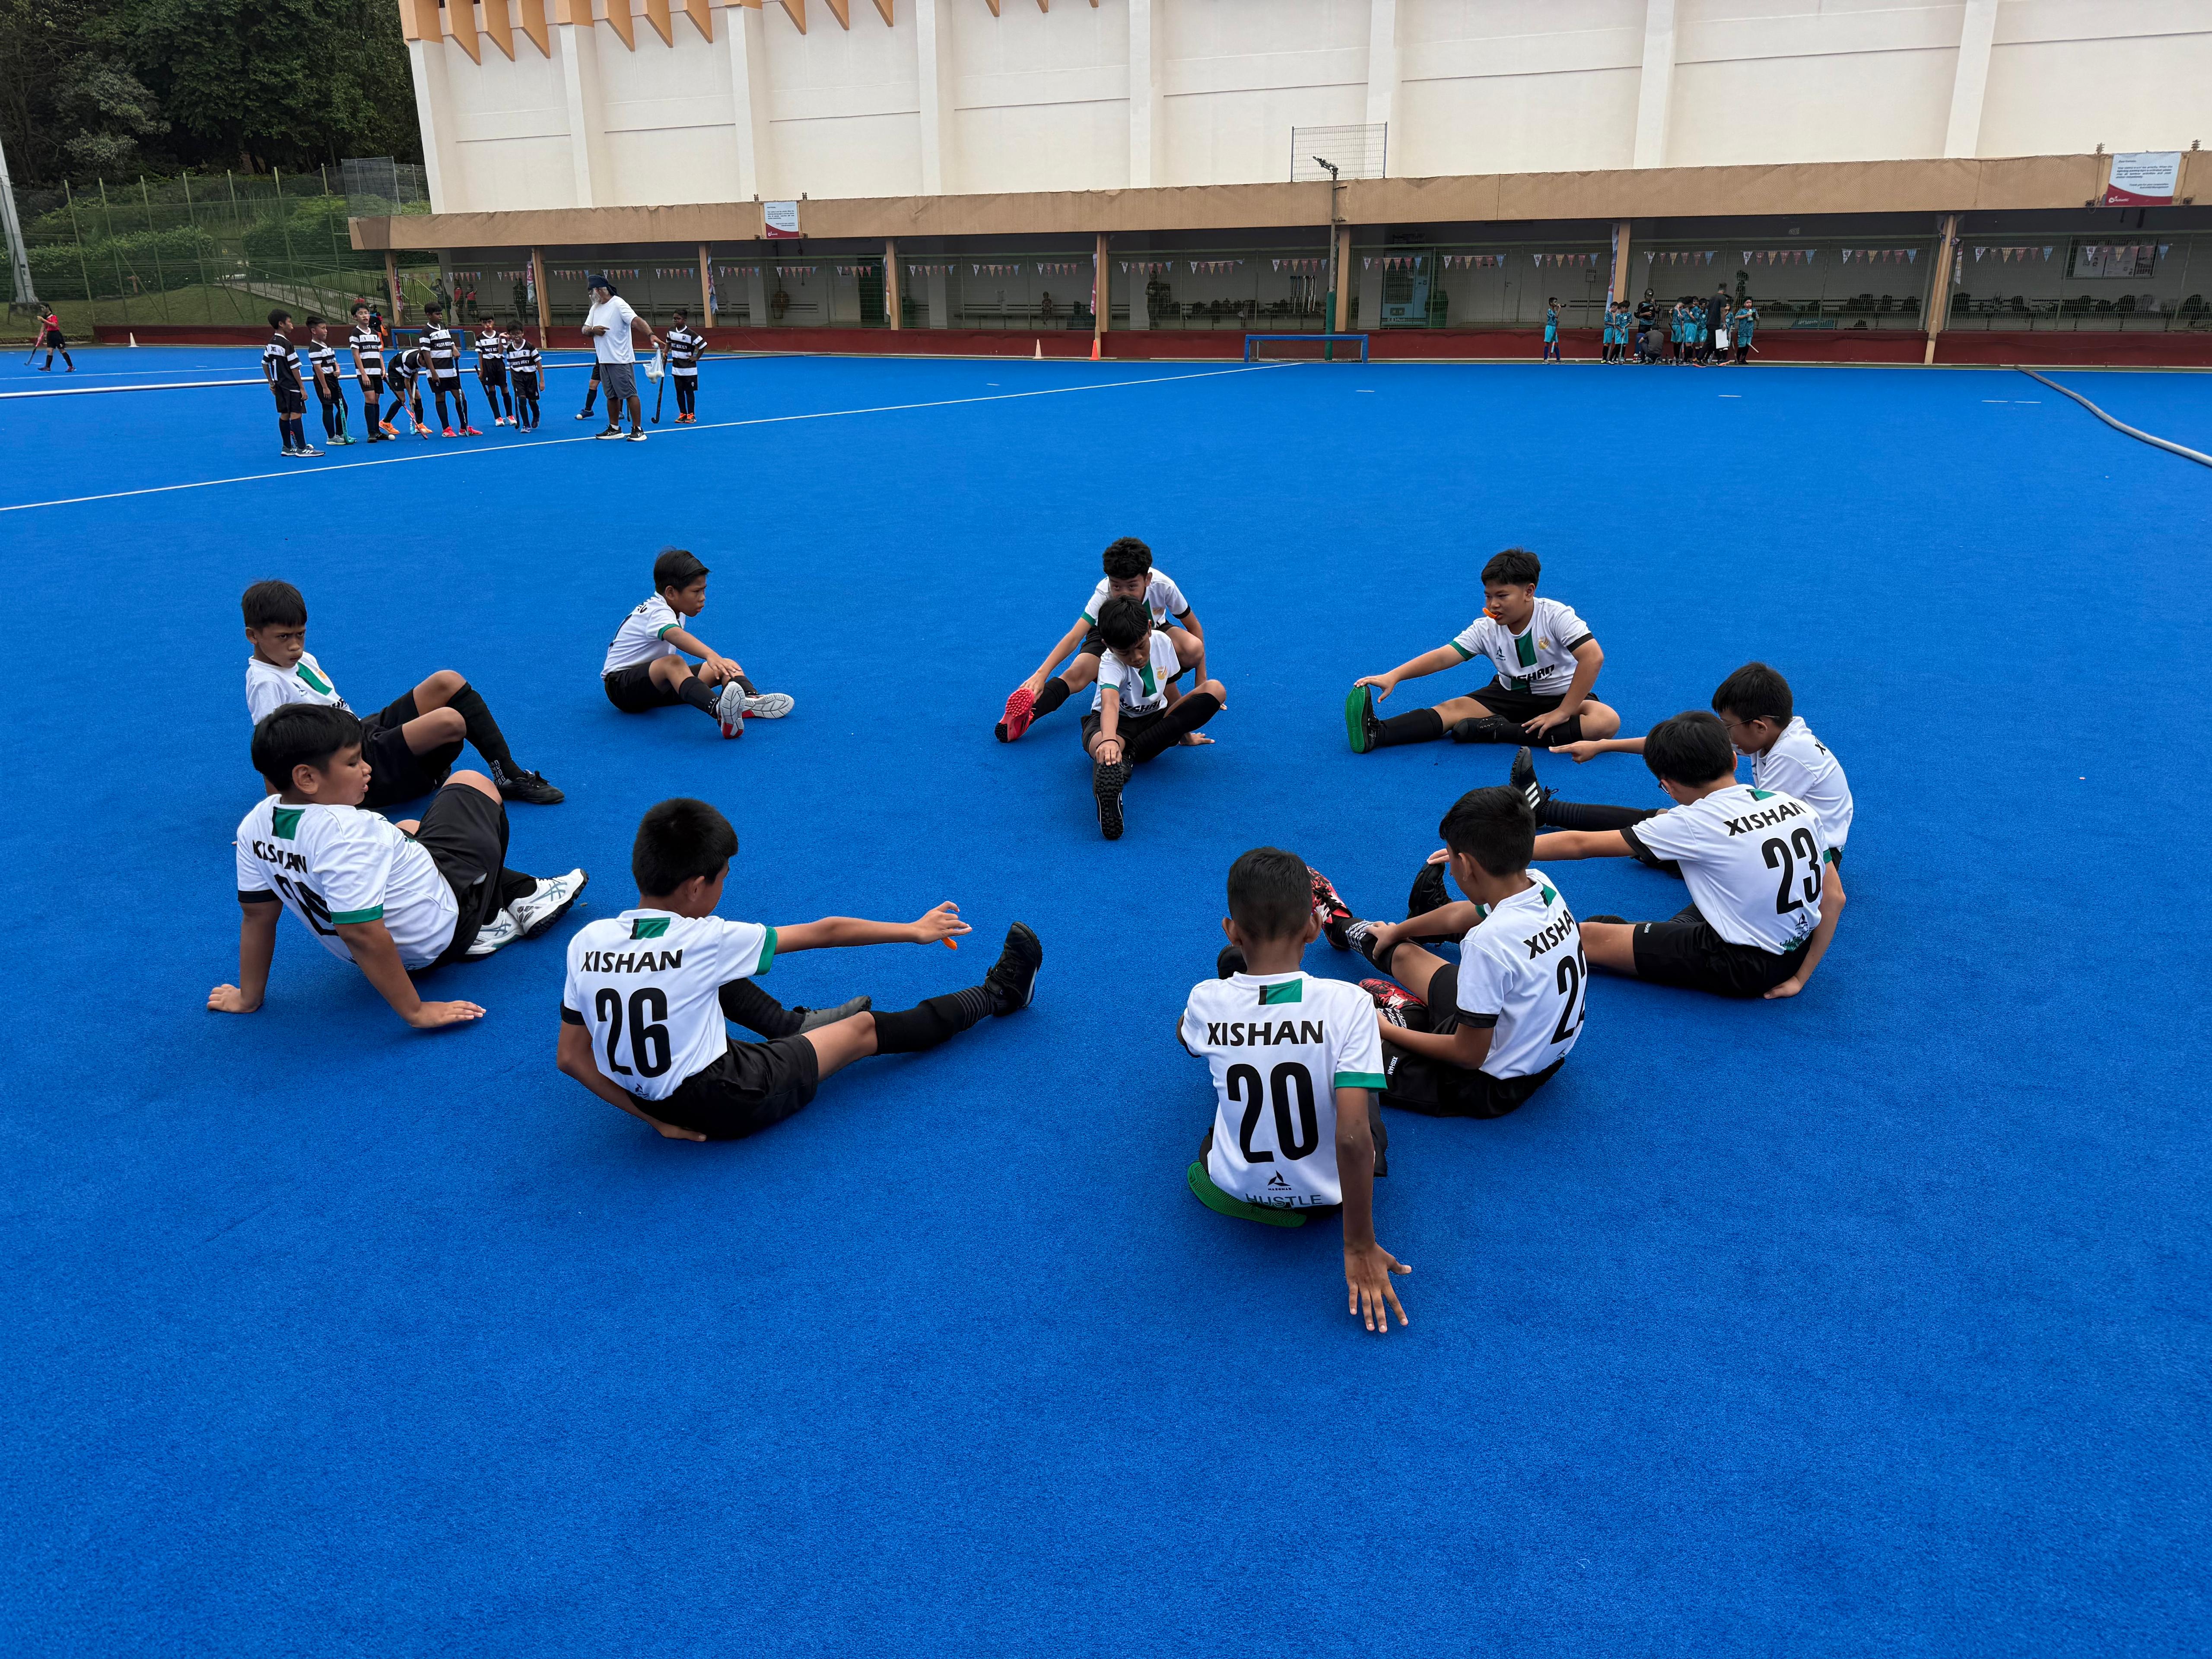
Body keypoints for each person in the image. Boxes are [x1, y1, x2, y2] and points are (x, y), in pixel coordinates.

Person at [556, 797, 1042, 1142]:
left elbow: (572, 1059)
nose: (725, 887)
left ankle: (792, 1028)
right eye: (723, 878)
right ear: (695, 887)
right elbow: (824, 932)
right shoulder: (704, 940)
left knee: (701, 975)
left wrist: (651, 1118)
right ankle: (1000, 995)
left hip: (654, 1097)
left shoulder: (587, 942)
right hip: (728, 1095)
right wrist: (912, 929)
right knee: (863, 1031)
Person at [213, 705, 587, 1029]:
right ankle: (490, 917)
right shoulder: (352, 833)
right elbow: (361, 931)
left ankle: (518, 890)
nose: (366, 769)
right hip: (438, 938)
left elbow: (257, 918)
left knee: (407, 829)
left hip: (373, 959)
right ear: (307, 778)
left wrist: (248, 997)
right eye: (352, 762)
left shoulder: (254, 825)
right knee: (471, 782)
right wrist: (416, 1011)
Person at [1179, 847, 1406, 1334]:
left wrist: (1231, 1012)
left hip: (1231, 1184)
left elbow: (1185, 1038)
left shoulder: (1204, 1000)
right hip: (1331, 1198)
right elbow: (1352, 1138)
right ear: (1311, 927)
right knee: (1360, 1089)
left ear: (1231, 930)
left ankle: (1250, 980)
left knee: (1224, 1091)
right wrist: (1359, 1244)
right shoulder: (1348, 1003)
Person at [1526, 711, 1845, 1001]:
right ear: (1734, 762)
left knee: (1592, 936)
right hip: (1797, 949)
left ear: (1669, 787)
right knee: (1700, 904)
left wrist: (1502, 852)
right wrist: (1801, 977)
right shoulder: (1797, 806)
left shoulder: (1692, 823)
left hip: (1740, 964)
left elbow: (1581, 845)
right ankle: (1654, 937)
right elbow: (1835, 898)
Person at [1315, 785, 1586, 1121]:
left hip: (1486, 1081)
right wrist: (1398, 930)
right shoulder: (1539, 885)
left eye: (1451, 857)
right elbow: (1460, 914)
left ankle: (1405, 1017)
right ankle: (1340, 925)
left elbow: (1468, 1055)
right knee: (1402, 953)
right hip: (1529, 1041)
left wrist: (1385, 1030)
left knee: (1329, 1051)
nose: (1452, 870)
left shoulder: (1487, 945)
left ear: (1467, 865)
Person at [242, 578, 565, 807]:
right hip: (351, 756)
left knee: (446, 681)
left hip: (360, 729)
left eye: (300, 634)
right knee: (450, 722)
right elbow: (272, 752)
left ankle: (506, 775)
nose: (296, 645)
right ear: (253, 636)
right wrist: (278, 815)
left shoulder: (301, 659)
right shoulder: (266, 682)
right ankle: (420, 779)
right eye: (284, 637)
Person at [1528, 661, 1853, 861]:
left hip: (1811, 856)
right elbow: (1687, 745)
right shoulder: (1769, 736)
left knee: (1666, 827)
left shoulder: (1791, 756)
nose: (1725, 736)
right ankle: (1546, 811)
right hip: (1779, 838)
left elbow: (1764, 825)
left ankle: (1546, 814)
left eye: (1727, 728)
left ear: (1759, 725)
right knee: (1661, 820)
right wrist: (1604, 745)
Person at [1345, 546, 1620, 753]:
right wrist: (1394, 676)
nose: (1494, 604)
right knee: (1452, 709)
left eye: (1502, 596)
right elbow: (1444, 656)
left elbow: (1593, 657)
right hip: (1508, 695)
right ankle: (1377, 734)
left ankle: (1497, 730)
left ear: (1529, 592)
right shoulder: (1486, 627)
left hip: (1561, 696)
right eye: (1489, 595)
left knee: (1606, 722)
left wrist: (1563, 711)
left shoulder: (1556, 616)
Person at [996, 536, 1208, 742]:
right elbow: (1074, 637)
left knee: (1193, 648)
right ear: (1109, 581)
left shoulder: (1164, 586)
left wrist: (1201, 680)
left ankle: (1142, 684)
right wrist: (1041, 675)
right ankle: (1028, 714)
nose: (1124, 593)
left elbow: (1194, 626)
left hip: (1150, 632)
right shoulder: (1103, 591)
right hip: (1111, 637)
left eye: (1132, 586)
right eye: (1117, 587)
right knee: (1077, 674)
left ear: (1148, 580)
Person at [600, 547, 795, 737]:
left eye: (704, 590)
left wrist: (718, 661)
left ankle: (747, 700)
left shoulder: (675, 609)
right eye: (696, 592)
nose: (703, 599)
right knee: (675, 663)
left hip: (655, 685)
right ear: (671, 593)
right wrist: (711, 655)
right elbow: (675, 635)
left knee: (725, 666)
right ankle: (719, 711)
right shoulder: (657, 611)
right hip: (621, 688)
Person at [1084, 596, 1227, 840]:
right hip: (1115, 724)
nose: (1136, 657)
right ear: (1108, 645)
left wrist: (1185, 734)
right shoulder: (1109, 661)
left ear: (1150, 628)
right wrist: (1109, 740)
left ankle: (1125, 756)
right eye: (1125, 652)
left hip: (1154, 721)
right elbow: (1109, 704)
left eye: (1141, 646)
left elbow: (1169, 690)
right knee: (1101, 745)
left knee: (1215, 690)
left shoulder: (1163, 642)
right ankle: (1109, 784)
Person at [582, 274, 661, 442]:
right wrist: (593, 330)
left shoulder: (618, 304)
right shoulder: (595, 308)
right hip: (604, 360)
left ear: (599, 290)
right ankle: (615, 428)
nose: (589, 295)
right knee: (611, 396)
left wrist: (651, 335)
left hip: (620, 360)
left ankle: (638, 430)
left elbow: (636, 321)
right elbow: (585, 329)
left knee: (630, 394)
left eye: (591, 291)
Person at [262, 309, 318, 459]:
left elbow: (265, 363)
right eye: (290, 322)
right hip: (291, 385)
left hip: (280, 385)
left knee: (285, 414)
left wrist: (271, 382)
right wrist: (302, 388)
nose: (292, 325)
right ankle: (301, 448)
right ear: (281, 324)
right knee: (296, 414)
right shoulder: (287, 344)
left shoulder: (271, 343)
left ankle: (287, 447)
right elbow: (295, 367)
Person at [418, 303, 479, 436]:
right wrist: (433, 372)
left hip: (450, 369)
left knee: (461, 396)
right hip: (437, 371)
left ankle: (464, 427)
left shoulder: (444, 327)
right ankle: (446, 429)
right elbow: (426, 353)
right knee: (440, 397)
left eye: (441, 313)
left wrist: (455, 349)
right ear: (429, 315)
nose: (440, 316)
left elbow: (450, 342)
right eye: (437, 314)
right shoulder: (426, 332)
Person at [304, 317, 353, 446]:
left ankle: (341, 433)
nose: (326, 331)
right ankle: (331, 437)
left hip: (333, 379)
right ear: (314, 331)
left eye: (326, 328)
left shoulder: (326, 345)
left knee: (344, 407)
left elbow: (334, 361)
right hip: (323, 381)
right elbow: (318, 369)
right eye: (323, 328)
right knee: (328, 407)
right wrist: (325, 387)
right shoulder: (314, 349)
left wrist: (337, 369)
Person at [349, 301, 390, 444]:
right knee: (370, 399)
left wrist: (383, 369)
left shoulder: (374, 333)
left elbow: (379, 353)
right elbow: (356, 355)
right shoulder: (356, 333)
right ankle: (371, 432)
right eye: (361, 314)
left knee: (376, 399)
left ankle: (377, 431)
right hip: (365, 373)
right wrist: (364, 374)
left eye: (366, 313)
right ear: (355, 317)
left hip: (377, 372)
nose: (365, 316)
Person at [381, 341, 432, 439]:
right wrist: (411, 398)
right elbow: (407, 381)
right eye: (425, 362)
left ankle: (420, 424)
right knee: (402, 399)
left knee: (418, 396)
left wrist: (416, 374)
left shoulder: (424, 358)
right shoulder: (411, 361)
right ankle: (385, 422)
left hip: (408, 371)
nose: (427, 364)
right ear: (421, 358)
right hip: (395, 371)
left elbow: (416, 370)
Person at [664, 308, 705, 423]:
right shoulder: (671, 331)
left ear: (685, 320)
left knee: (689, 392)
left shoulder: (691, 334)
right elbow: (668, 343)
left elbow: (702, 345)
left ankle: (691, 415)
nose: (675, 321)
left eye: (678, 319)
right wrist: (665, 353)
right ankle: (683, 413)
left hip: (689, 370)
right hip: (676, 369)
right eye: (674, 318)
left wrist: (696, 357)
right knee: (679, 392)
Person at [474, 319, 514, 426]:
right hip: (488, 365)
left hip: (499, 364)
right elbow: (480, 355)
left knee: (504, 388)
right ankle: (498, 417)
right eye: (485, 323)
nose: (488, 325)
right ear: (482, 323)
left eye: (490, 322)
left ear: (493, 322)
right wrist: (482, 372)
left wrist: (501, 339)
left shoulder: (500, 336)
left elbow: (501, 351)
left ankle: (510, 415)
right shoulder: (479, 338)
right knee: (491, 389)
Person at [505, 321, 542, 430]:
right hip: (518, 378)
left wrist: (542, 381)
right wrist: (513, 380)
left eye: (518, 333)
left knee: (532, 401)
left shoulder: (530, 346)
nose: (516, 336)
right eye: (513, 334)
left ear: (522, 333)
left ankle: (536, 415)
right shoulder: (510, 349)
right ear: (510, 335)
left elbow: (539, 363)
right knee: (522, 400)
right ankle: (526, 425)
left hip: (530, 377)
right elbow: (511, 366)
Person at [37, 307, 73, 372]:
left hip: (56, 335)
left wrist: (43, 320)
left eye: (43, 308)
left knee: (62, 350)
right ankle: (48, 367)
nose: (42, 309)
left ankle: (71, 367)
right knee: (49, 350)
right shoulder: (44, 317)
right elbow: (43, 327)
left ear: (47, 308)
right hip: (50, 335)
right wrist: (40, 337)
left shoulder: (53, 316)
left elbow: (54, 325)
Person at [1733, 299, 1758, 365]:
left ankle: (1744, 359)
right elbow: (1736, 317)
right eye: (1747, 303)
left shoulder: (1754, 310)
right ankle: (1737, 359)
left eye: (1750, 302)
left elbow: (1758, 319)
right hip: (1742, 331)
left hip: (1750, 331)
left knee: (1747, 345)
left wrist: (1755, 316)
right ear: (1744, 304)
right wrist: (1745, 316)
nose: (1749, 304)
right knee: (1742, 346)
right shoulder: (1742, 311)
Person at [1541, 296, 1561, 362]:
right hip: (1550, 328)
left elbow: (1556, 319)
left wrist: (1557, 324)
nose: (1556, 303)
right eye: (1555, 302)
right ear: (1551, 303)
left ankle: (1558, 359)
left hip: (1554, 328)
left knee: (1556, 344)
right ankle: (1545, 359)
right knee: (1547, 343)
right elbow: (1556, 316)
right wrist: (1559, 309)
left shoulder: (1555, 311)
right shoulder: (1549, 311)